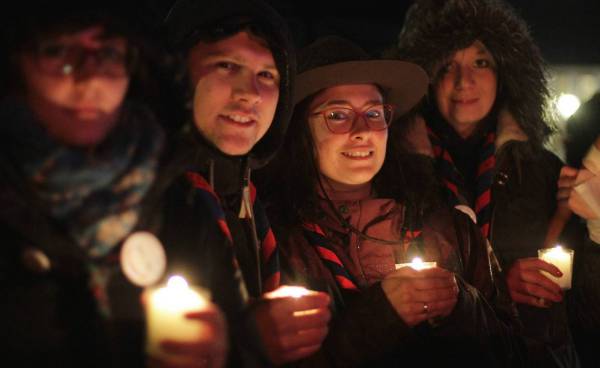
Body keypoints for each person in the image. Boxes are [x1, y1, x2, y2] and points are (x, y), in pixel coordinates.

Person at [258, 35, 524, 367]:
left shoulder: (450, 229)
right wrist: (380, 316)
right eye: (338, 115)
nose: (363, 130)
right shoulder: (273, 242)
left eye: (374, 113)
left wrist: (459, 304)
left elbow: (513, 352)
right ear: (300, 130)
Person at [0, 2, 227, 367]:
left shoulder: (176, 199)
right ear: (15, 64)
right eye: (58, 51)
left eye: (108, 52)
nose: (92, 78)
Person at [391, 0, 579, 365]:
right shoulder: (394, 173)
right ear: (425, 77)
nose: (465, 82)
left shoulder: (542, 171)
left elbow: (587, 306)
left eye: (481, 62)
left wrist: (596, 226)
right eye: (447, 65)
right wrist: (497, 287)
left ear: (506, 72)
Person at [159, 0, 331, 366]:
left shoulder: (247, 197)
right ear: (174, 71)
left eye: (267, 75)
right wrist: (248, 340)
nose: (250, 93)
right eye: (227, 65)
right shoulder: (138, 199)